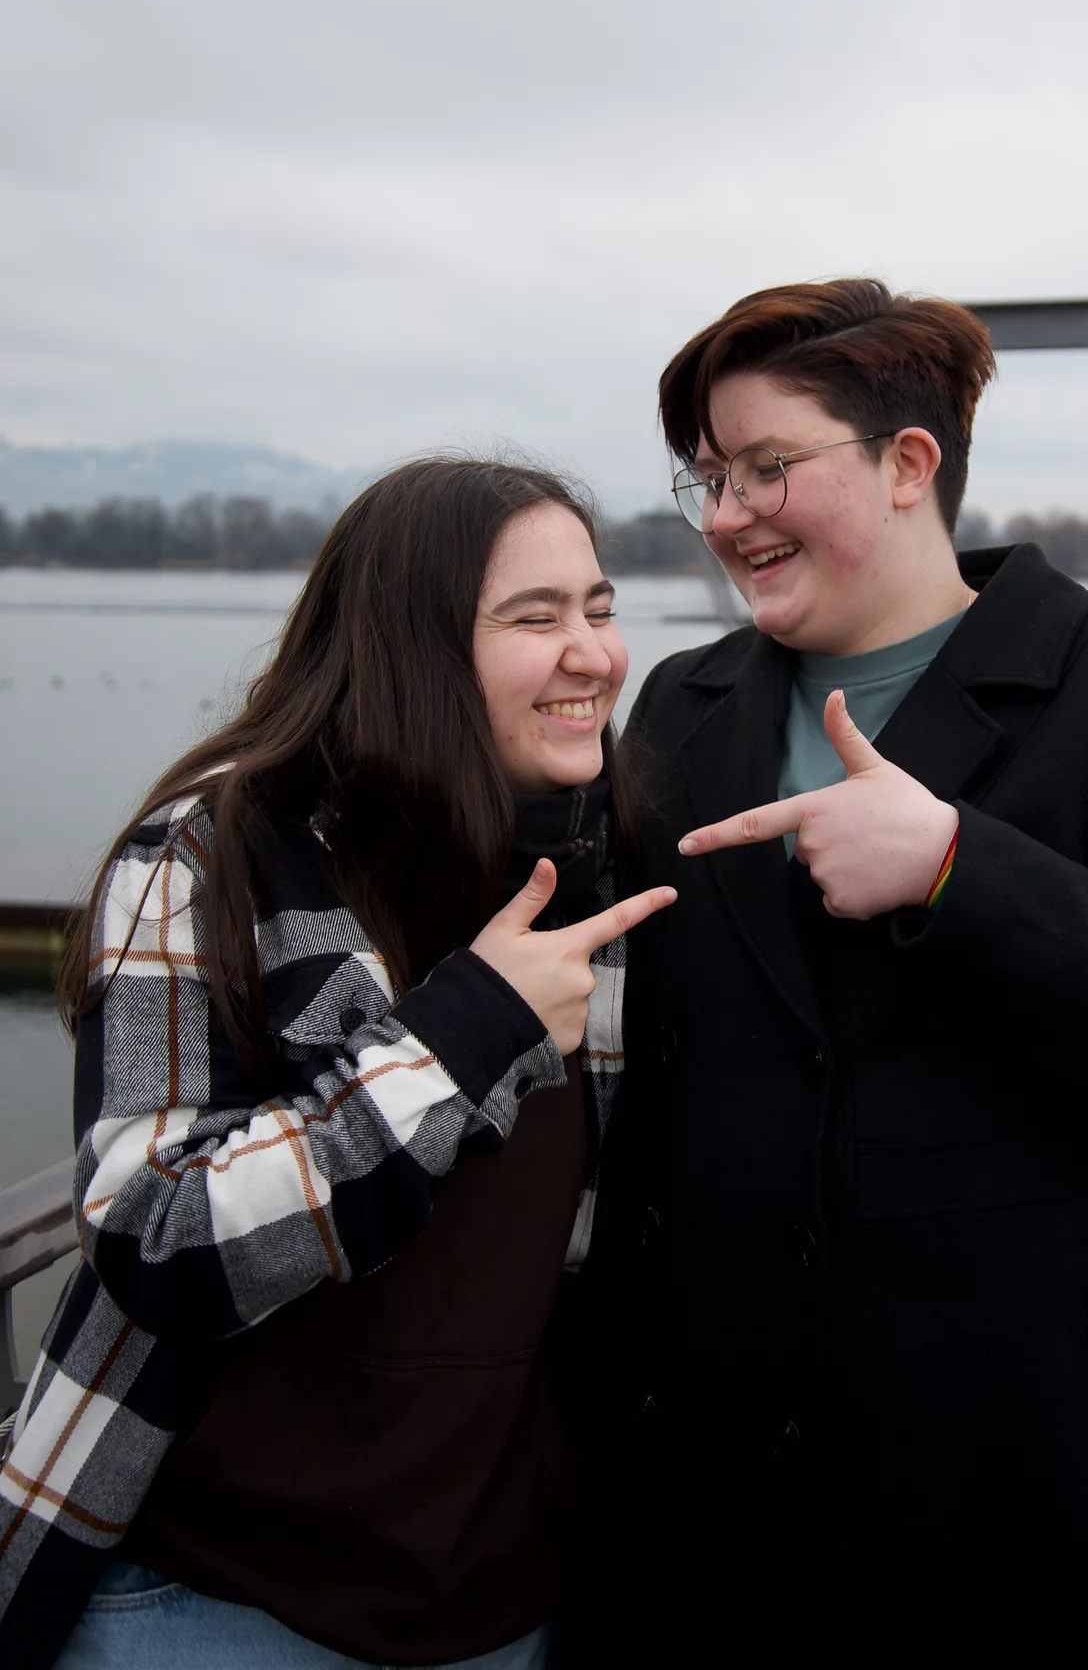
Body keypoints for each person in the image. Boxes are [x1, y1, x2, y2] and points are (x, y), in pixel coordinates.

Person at [565, 280, 1088, 1666]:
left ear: (907, 464)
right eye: (708, 478)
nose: (725, 516)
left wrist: (962, 868)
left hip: (1020, 1490)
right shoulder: (682, 703)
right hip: (715, 1485)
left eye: (766, 467)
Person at [0, 457, 675, 1670]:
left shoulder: (599, 864)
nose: (595, 654)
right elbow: (156, 1237)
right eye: (536, 618)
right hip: (206, 1604)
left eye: (599, 607)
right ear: (412, 645)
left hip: (496, 1603)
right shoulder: (207, 860)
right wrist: (463, 1035)